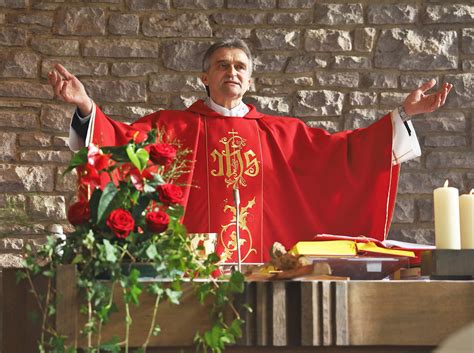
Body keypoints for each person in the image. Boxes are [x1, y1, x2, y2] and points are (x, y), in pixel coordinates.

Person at [48, 39, 452, 263]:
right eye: (222, 65)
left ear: (250, 80)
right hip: (189, 268)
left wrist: (401, 114)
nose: (232, 72)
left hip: (263, 268)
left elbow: (346, 154)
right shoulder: (171, 126)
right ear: (204, 77)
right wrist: (86, 107)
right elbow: (118, 142)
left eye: (240, 66)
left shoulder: (280, 132)